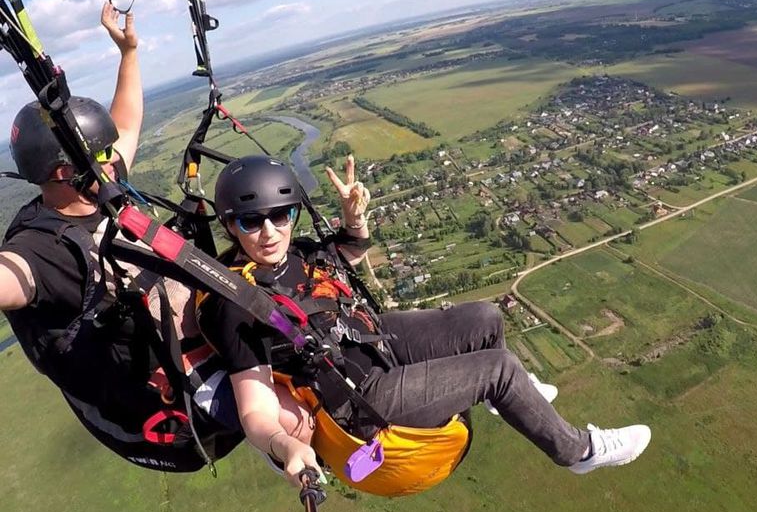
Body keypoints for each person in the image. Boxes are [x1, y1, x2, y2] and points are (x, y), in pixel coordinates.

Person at [199, 153, 652, 487]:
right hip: (359, 400)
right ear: (229, 224)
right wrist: (288, 447)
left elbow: (348, 255)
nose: (270, 231)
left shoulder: (295, 252)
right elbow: (255, 409)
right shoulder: (237, 303)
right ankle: (578, 451)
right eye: (251, 222)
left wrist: (354, 220)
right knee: (497, 368)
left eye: (282, 215)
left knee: (485, 318)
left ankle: (515, 399)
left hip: (372, 339)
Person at [0, 4, 251, 471]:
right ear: (64, 171)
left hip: (205, 350)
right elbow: (8, 281)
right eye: (103, 154)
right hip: (176, 411)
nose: (116, 159)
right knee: (302, 397)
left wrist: (128, 53)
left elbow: (127, 123)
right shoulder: (39, 251)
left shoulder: (102, 189)